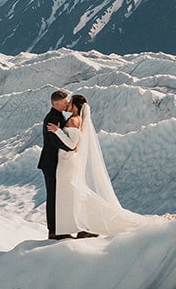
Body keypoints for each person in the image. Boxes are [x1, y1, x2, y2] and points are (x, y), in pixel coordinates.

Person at [52, 93, 157, 238]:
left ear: (76, 105)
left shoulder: (74, 120)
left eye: (70, 102)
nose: (67, 104)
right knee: (72, 194)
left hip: (67, 162)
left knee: (75, 193)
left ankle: (91, 223)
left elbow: (73, 146)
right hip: (66, 161)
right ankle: (84, 225)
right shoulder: (74, 119)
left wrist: (57, 131)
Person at [38, 89, 74, 239]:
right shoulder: (53, 117)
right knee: (53, 196)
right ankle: (54, 231)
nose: (67, 103)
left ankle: (58, 229)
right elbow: (55, 140)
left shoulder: (58, 115)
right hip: (50, 162)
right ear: (56, 103)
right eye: (65, 101)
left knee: (57, 195)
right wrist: (71, 146)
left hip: (53, 162)